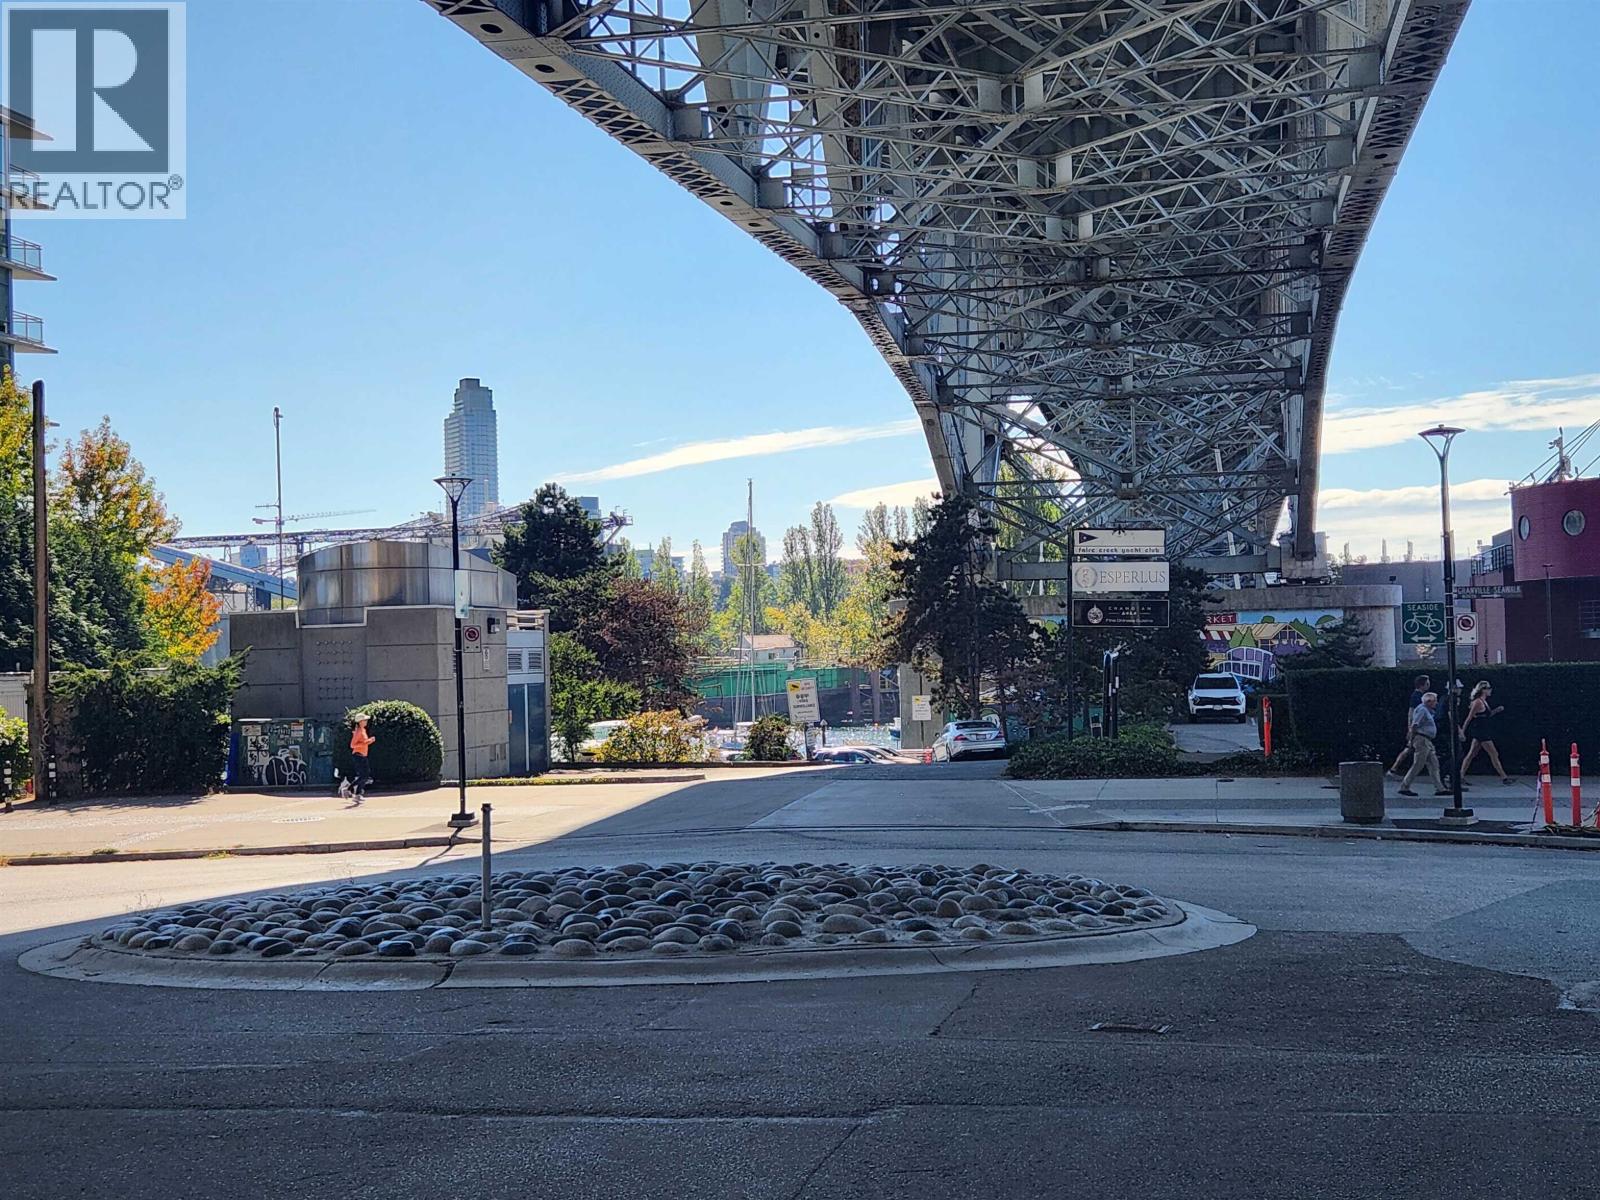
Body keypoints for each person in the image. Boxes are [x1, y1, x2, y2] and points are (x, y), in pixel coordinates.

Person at [1459, 681, 1514, 785]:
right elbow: (1469, 717)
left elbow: (1485, 715)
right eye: (1488, 688)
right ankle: (1504, 777)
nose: (1490, 690)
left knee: (1471, 754)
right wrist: (1462, 731)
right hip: (1481, 732)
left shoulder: (1483, 701)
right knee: (1493, 753)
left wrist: (1496, 710)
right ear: (1483, 690)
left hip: (1482, 730)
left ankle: (1460, 775)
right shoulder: (1478, 702)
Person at [1398, 691, 1448, 797]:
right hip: (1422, 739)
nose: (1436, 703)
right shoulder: (1422, 710)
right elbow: (1415, 724)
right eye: (1435, 701)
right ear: (1428, 701)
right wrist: (1411, 740)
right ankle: (1404, 786)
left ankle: (1440, 788)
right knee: (1418, 764)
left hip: (1427, 740)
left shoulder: (1426, 710)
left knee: (1434, 764)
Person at [1387, 675, 1431, 777]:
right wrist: (1411, 727)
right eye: (1427, 683)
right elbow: (1411, 712)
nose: (1428, 685)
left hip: (1419, 727)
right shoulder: (1417, 697)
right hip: (1418, 728)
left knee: (1411, 748)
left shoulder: (1419, 696)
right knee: (1410, 748)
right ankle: (1394, 769)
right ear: (1422, 685)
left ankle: (1394, 769)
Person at [344, 714, 375, 800]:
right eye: (364, 720)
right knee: (364, 775)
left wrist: (368, 741)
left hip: (362, 755)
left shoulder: (363, 730)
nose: (366, 721)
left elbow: (363, 742)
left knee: (365, 775)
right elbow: (352, 745)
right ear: (360, 722)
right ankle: (349, 789)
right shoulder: (358, 731)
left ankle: (357, 794)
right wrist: (368, 741)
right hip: (358, 755)